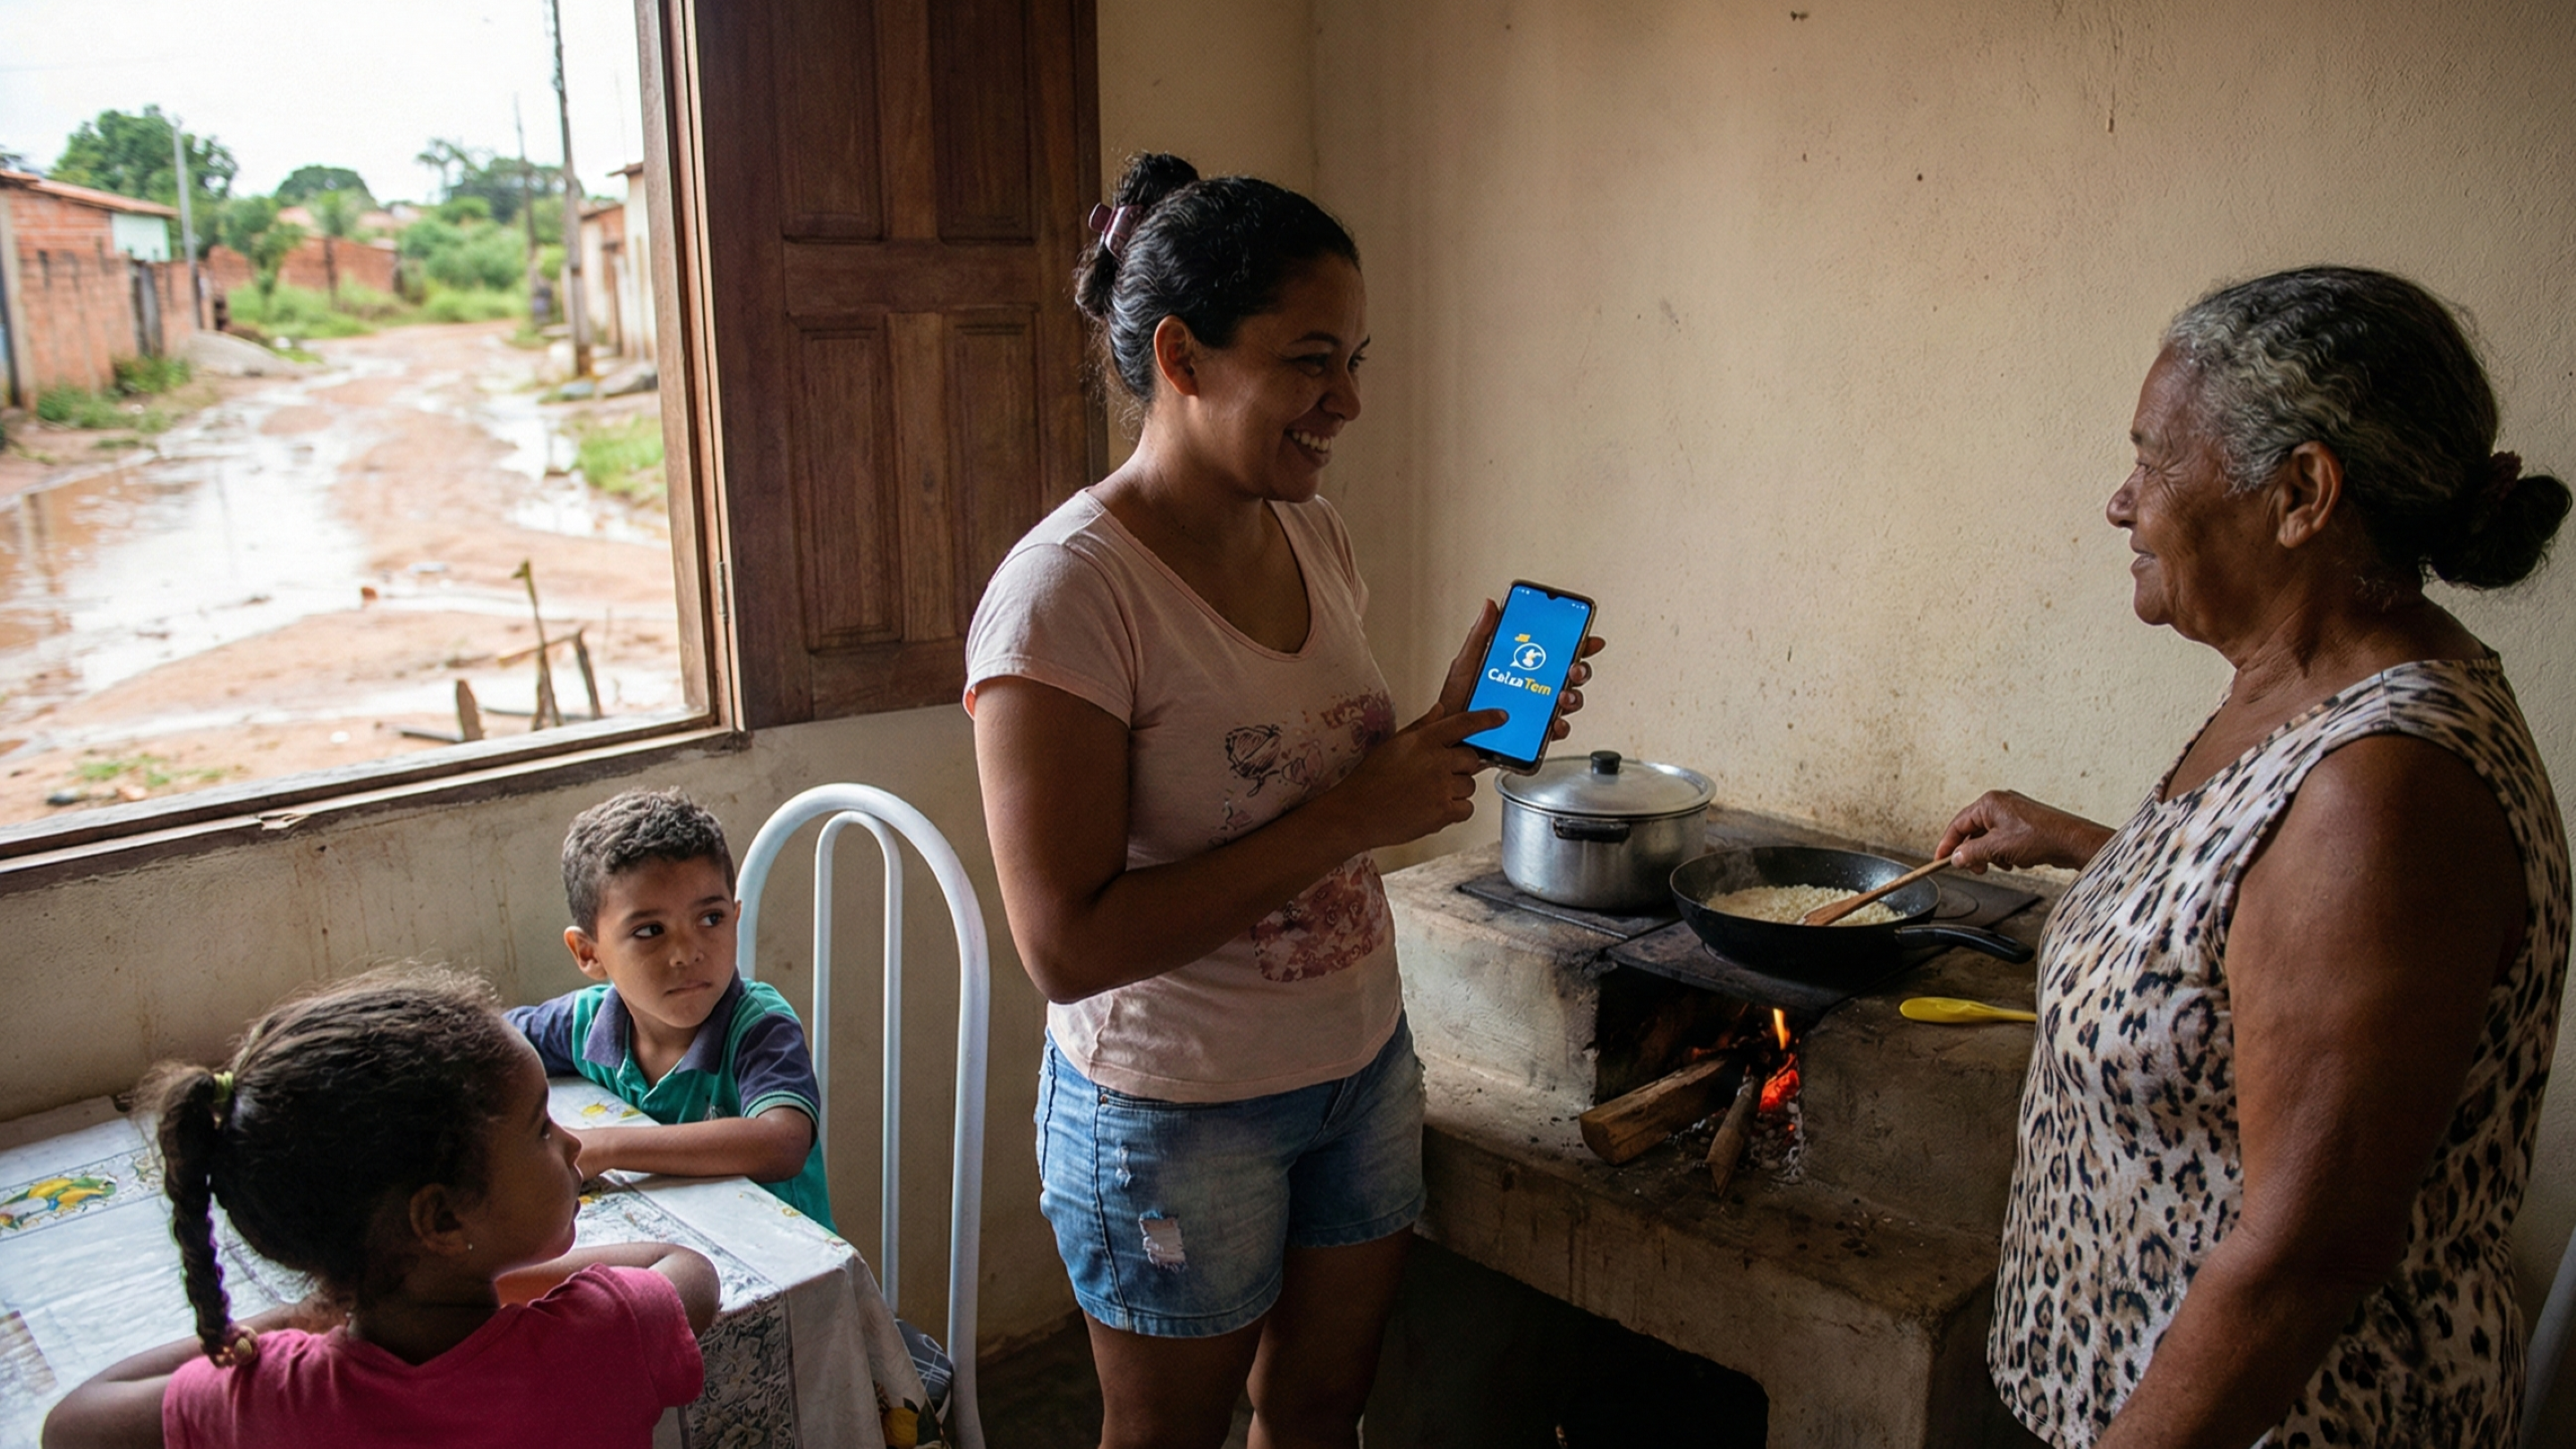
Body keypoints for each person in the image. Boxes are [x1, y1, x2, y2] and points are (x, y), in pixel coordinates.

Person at [966, 153, 1599, 1449]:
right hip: (1176, 1113)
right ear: (1182, 356)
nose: (1348, 401)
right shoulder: (1067, 596)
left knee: (1316, 1413)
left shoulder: (1311, 531)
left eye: (1354, 360)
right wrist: (1361, 812)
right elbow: (1065, 947)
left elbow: (1319, 779)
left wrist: (1443, 736)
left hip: (1358, 1067)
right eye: (1312, 361)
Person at [1938, 266, 2572, 1447]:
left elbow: (2300, 1262)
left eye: (2153, 461)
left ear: (2301, 494)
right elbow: (2245, 925)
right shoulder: (2298, 696)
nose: (2121, 504)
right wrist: (2077, 841)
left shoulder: (2386, 795)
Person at [40, 968, 718, 1449]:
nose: (572, 1143)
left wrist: (307, 1314)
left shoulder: (270, 1399)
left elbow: (74, 1425)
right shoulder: (600, 1336)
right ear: (443, 1222)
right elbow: (685, 1268)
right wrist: (493, 1272)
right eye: (541, 1127)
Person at [507, 788, 834, 1229]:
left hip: (778, 1256)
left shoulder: (758, 1026)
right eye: (651, 931)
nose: (687, 953)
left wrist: (608, 1147)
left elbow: (782, 1142)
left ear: (735, 918)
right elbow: (488, 1049)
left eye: (711, 919)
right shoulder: (584, 1023)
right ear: (589, 953)